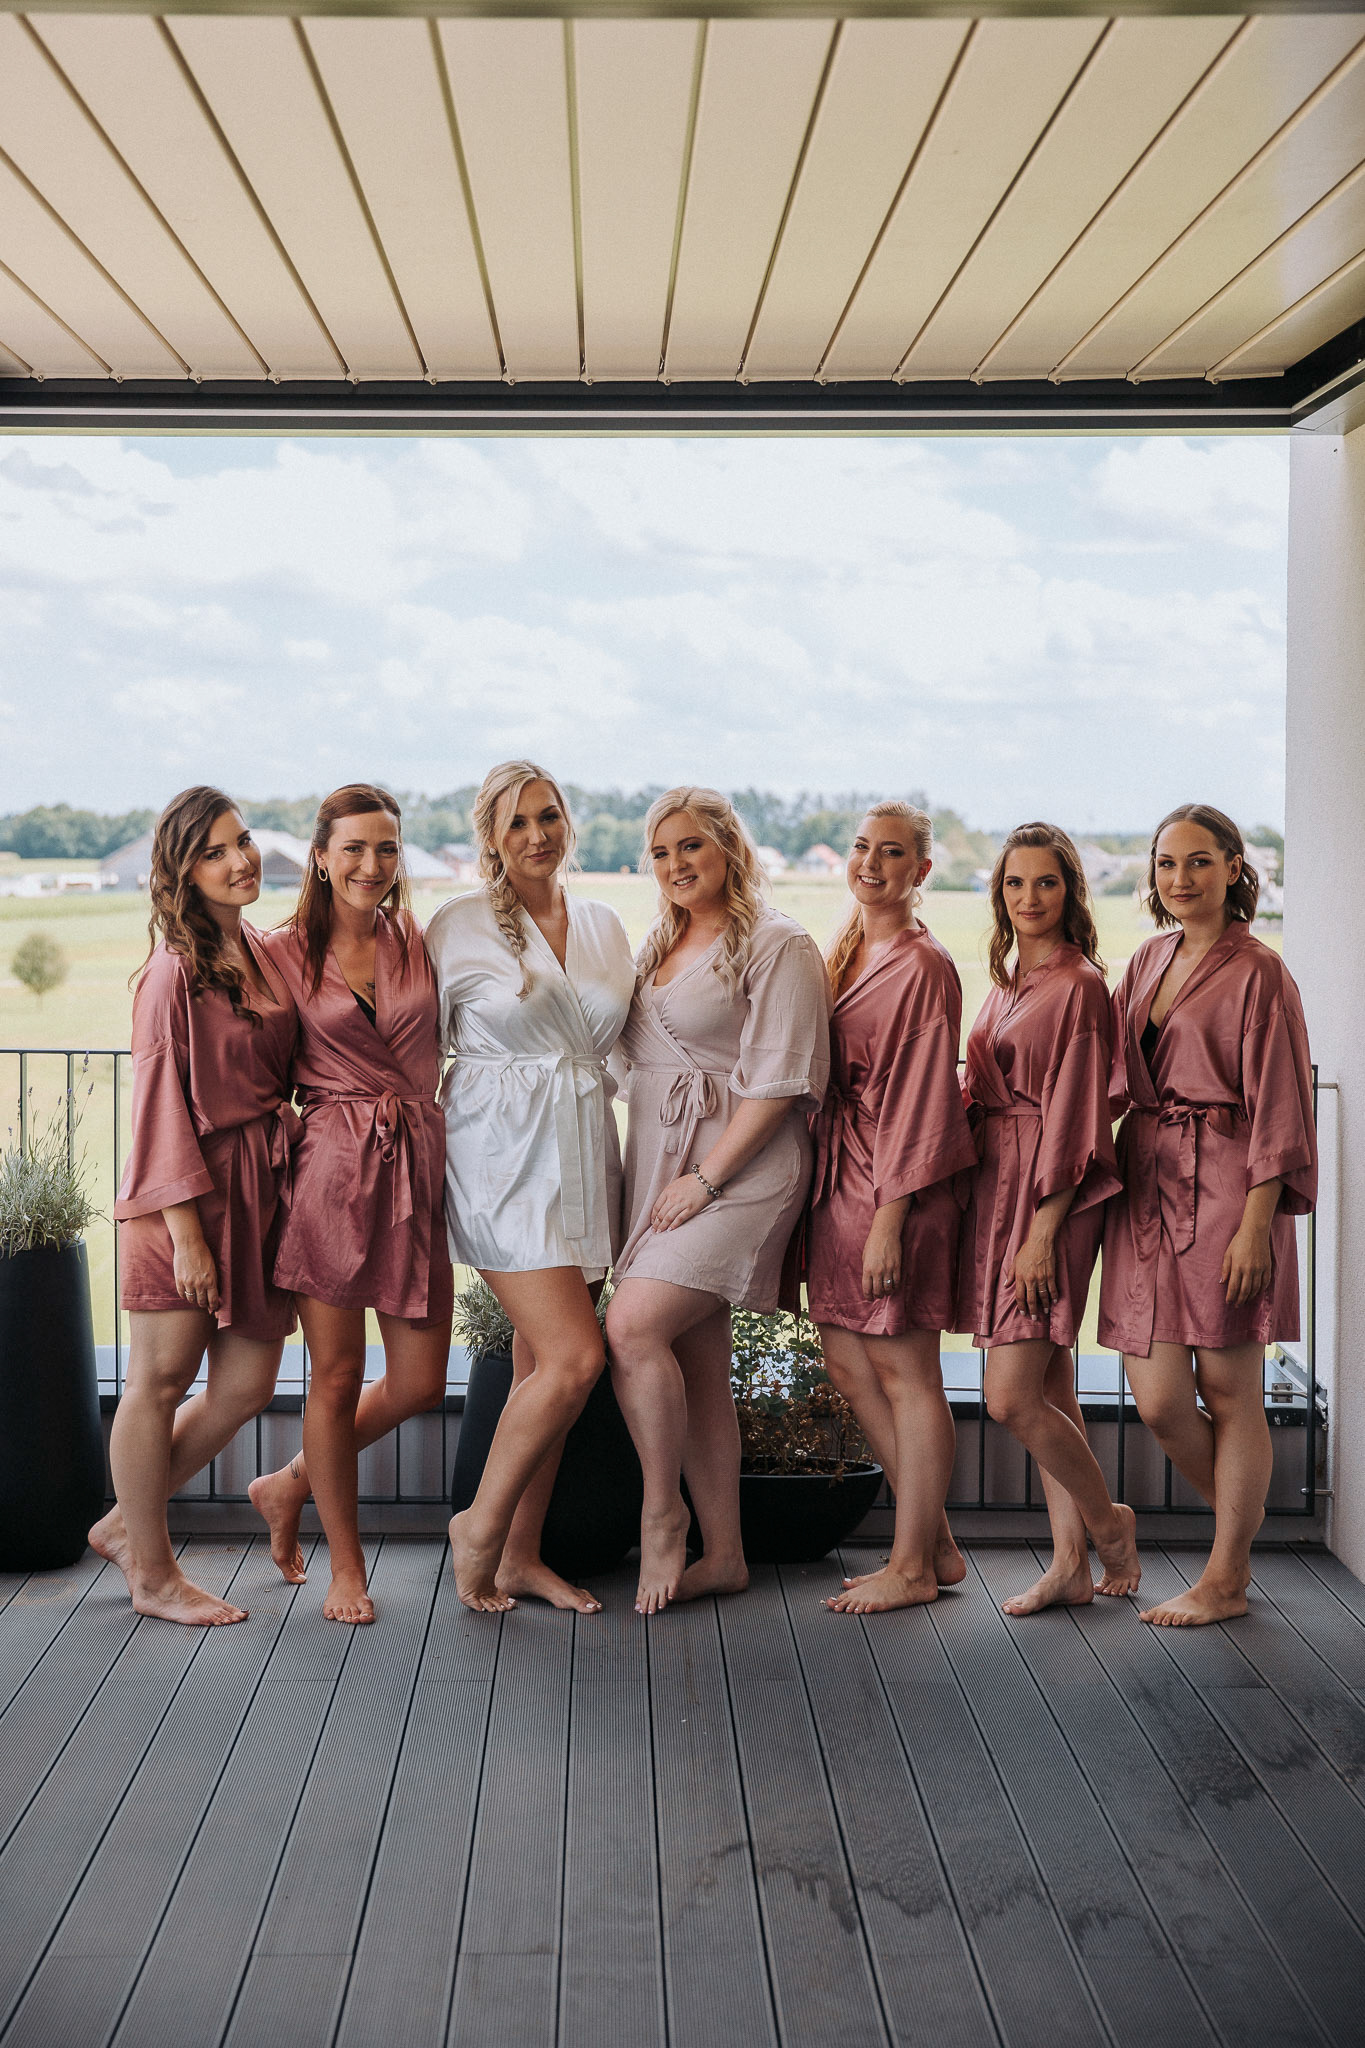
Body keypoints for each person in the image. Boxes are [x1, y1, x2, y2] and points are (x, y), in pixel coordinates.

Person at [606, 789, 830, 1616]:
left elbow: (779, 1082)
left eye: (691, 845)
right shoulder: (656, 943)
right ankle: (726, 1555)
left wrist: (704, 1179)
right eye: (661, 852)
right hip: (660, 1162)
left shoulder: (777, 942)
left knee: (631, 1328)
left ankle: (661, 1513)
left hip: (742, 1169)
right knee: (697, 1363)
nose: (675, 865)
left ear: (729, 847)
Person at [1100, 804, 1316, 1626]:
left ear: (1233, 867)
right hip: (1145, 1182)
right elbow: (1103, 1067)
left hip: (1228, 1187)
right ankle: (1240, 1540)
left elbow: (1281, 1106)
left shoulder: (1260, 972)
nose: (1179, 878)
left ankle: (1224, 1576)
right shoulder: (1147, 958)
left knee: (1229, 1388)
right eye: (1165, 863)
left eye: (1197, 861)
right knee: (1158, 1399)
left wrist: (1258, 1225)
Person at [427, 762, 635, 1614]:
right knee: (577, 1357)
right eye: (516, 823)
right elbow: (411, 1050)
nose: (537, 835)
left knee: (539, 1361)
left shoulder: (604, 924)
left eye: (547, 816)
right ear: (490, 837)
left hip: (584, 1151)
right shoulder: (457, 924)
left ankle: (518, 1555)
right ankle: (478, 1528)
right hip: (499, 1159)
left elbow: (636, 1043)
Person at [94, 787, 298, 1626]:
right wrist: (187, 1235)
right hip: (185, 1197)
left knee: (247, 1383)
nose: (239, 860)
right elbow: (158, 1108)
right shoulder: (169, 973)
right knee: (160, 1379)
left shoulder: (263, 948)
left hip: (259, 1189)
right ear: (182, 871)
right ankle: (152, 1573)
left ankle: (124, 1525)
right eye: (213, 852)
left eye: (241, 841)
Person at [248, 786, 452, 1625]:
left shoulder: (418, 938)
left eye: (387, 848)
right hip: (329, 1175)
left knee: (420, 1380)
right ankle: (346, 1569)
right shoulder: (279, 952)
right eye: (355, 848)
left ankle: (288, 1483)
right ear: (322, 856)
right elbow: (251, 1065)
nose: (373, 865)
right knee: (334, 1379)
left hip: (416, 1169)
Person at [958, 823, 1137, 1616]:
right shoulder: (1007, 981)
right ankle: (1068, 1566)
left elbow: (1077, 1118)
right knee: (1049, 1383)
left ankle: (1109, 1524)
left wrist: (1040, 1232)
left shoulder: (1078, 987)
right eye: (1014, 882)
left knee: (1008, 1396)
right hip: (997, 1184)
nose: (1028, 897)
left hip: (1049, 1195)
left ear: (1070, 892)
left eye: (1045, 882)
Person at [805, 803, 977, 1613]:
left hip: (894, 1184)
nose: (870, 863)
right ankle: (932, 1543)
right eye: (861, 847)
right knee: (847, 1364)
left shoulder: (922, 965)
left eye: (892, 852)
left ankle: (910, 1566)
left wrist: (890, 1217)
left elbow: (922, 1096)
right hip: (840, 1179)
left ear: (921, 870)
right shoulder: (848, 944)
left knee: (908, 1374)